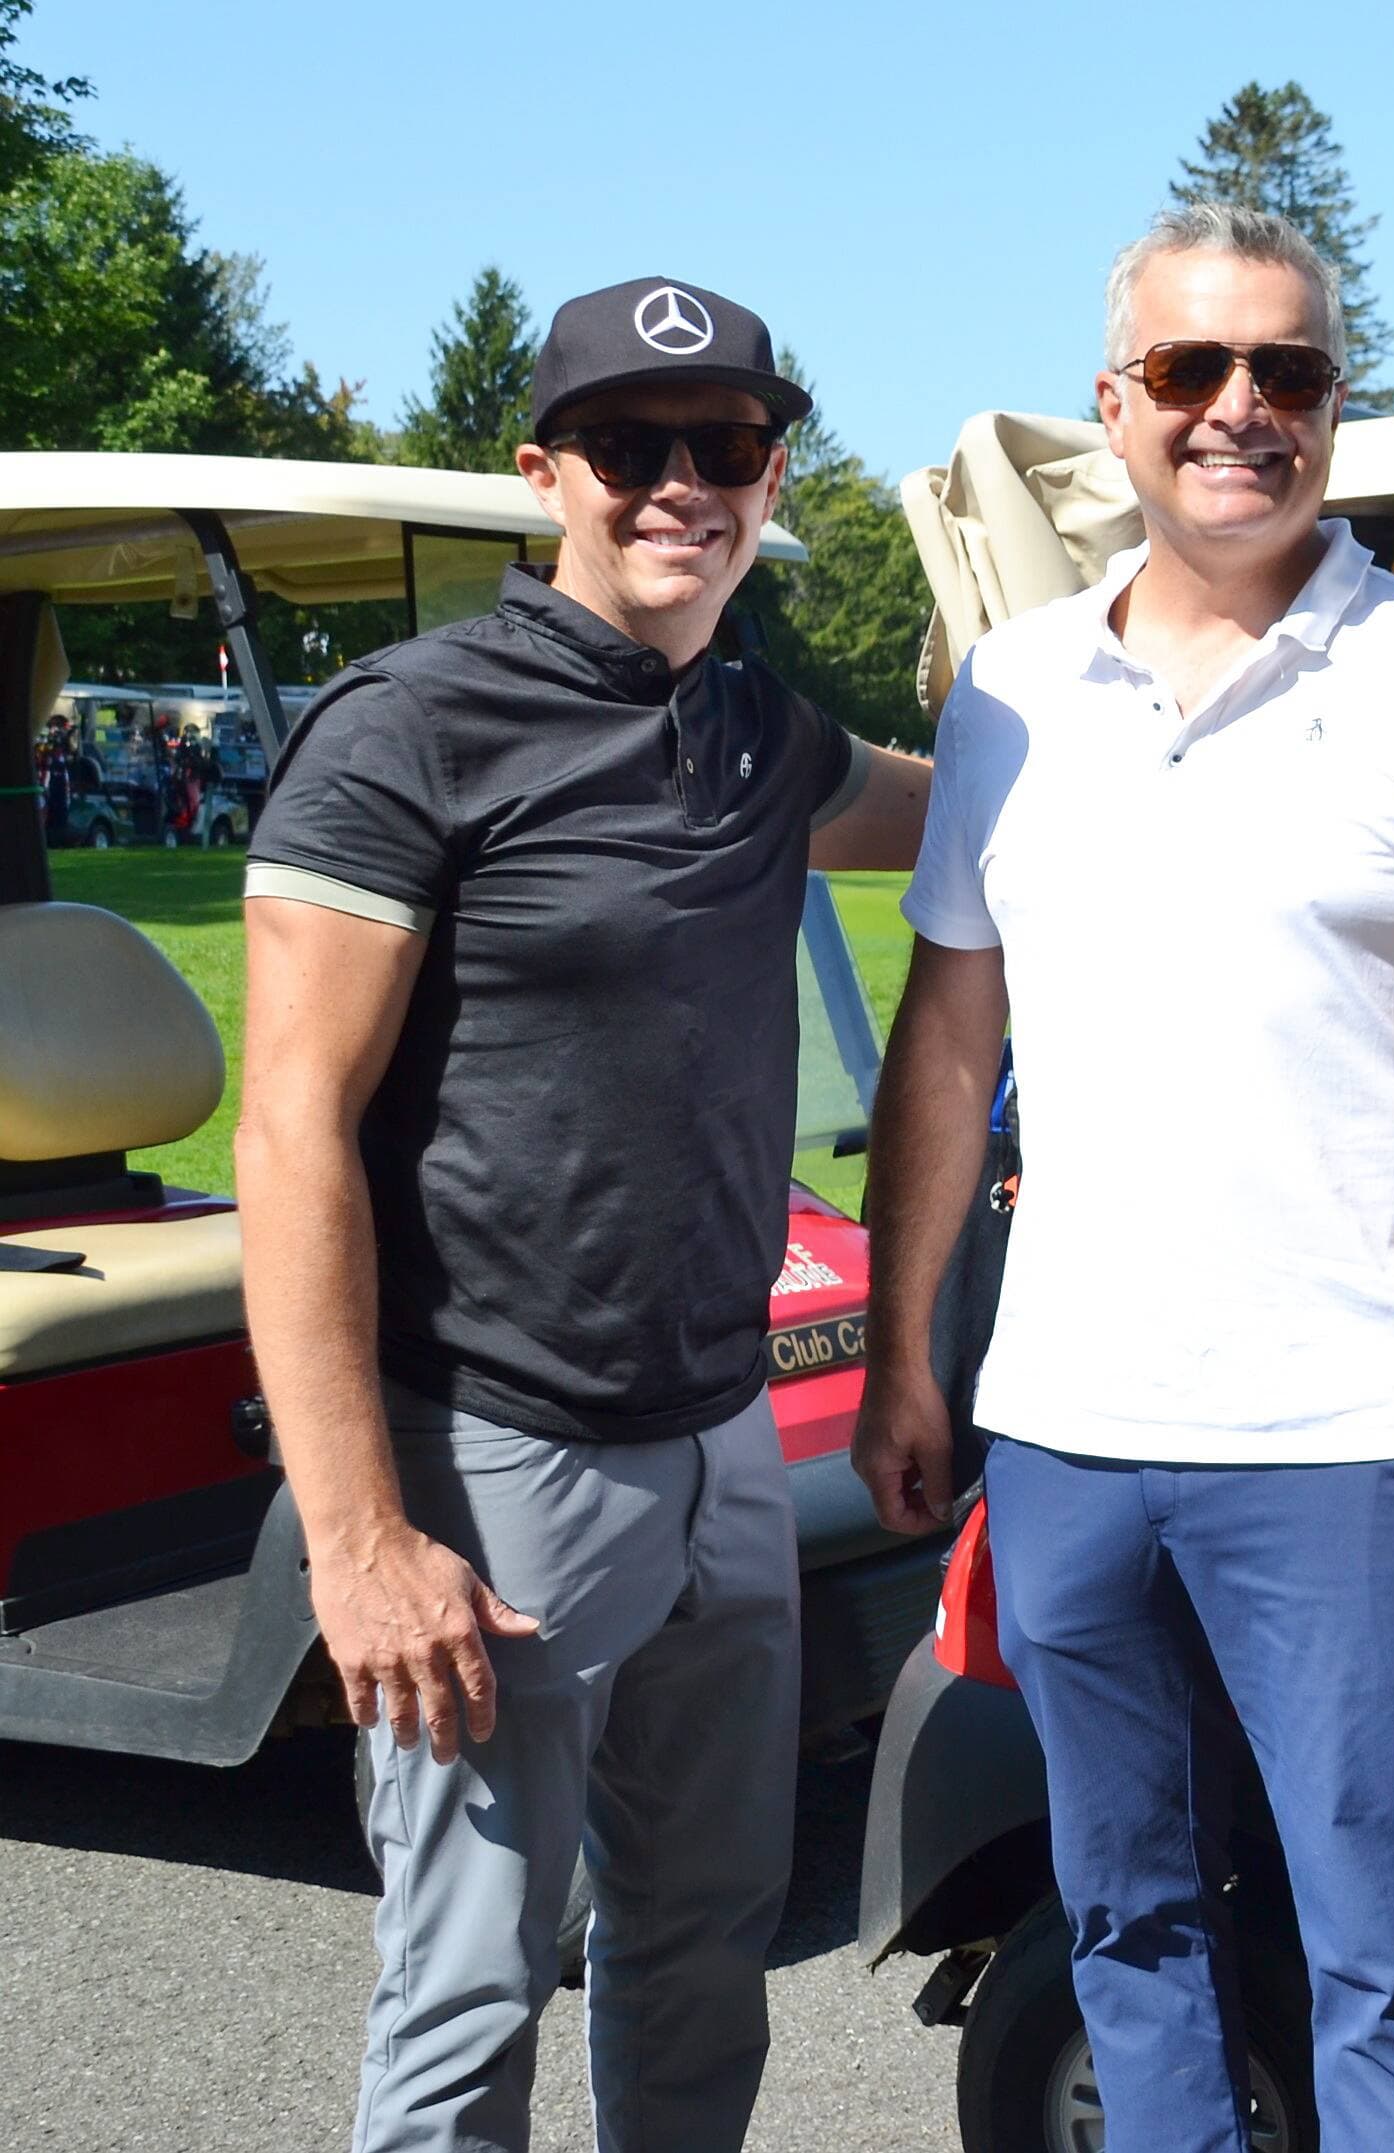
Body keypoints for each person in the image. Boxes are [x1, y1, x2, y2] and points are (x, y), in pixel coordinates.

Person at [851, 203, 1394, 2153]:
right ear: (1117, 409)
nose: (1239, 410)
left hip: (1356, 1442)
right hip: (1075, 1436)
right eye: (1193, 371)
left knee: (1381, 1951)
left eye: (1287, 371)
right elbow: (950, 1047)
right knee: (1127, 1923)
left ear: (1335, 409)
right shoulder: (1013, 697)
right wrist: (908, 1364)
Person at [238, 274, 930, 2153]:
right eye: (632, 448)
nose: (680, 486)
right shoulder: (412, 727)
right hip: (496, 1447)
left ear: (772, 476)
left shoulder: (747, 727)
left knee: (704, 1952)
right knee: (471, 1986)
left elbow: (951, 815)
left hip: (719, 1434)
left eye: (724, 448)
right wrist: (358, 1534)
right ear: (546, 472)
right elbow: (290, 1126)